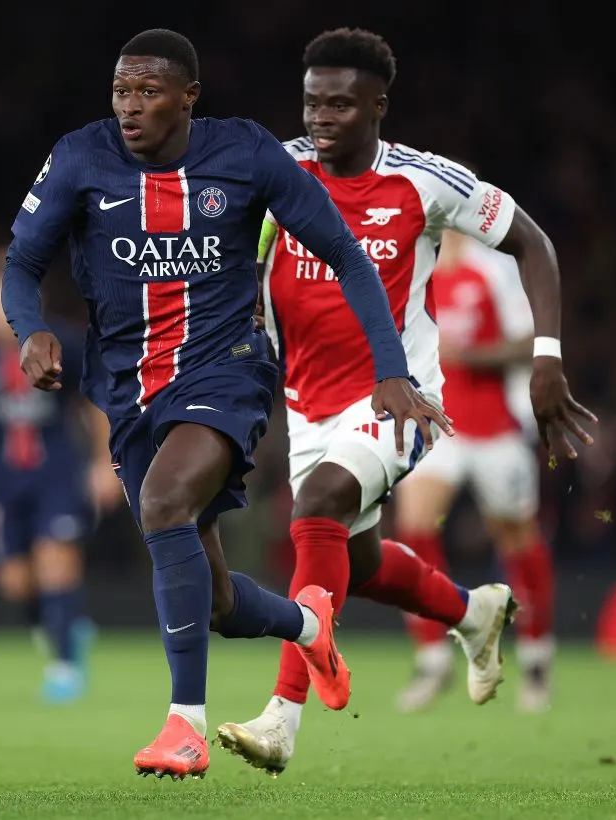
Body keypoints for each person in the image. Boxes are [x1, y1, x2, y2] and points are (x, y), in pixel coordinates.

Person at [0, 29, 445, 780]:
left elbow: (343, 251)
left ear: (188, 96)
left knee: (165, 501)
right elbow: (21, 262)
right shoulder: (81, 156)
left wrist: (392, 369)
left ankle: (184, 727)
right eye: (120, 92)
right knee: (217, 604)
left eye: (147, 92)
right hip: (129, 390)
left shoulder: (243, 155)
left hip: (226, 371)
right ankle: (309, 625)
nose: (130, 108)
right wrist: (32, 330)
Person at [216, 28, 595, 775]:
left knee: (315, 510)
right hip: (309, 404)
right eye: (312, 102)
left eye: (341, 105)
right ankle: (472, 611)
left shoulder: (427, 183)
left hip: (403, 399)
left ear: (378, 107)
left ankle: (281, 718)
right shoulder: (278, 170)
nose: (322, 118)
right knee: (352, 563)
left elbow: (534, 245)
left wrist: (546, 358)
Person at [0, 247, 121, 703]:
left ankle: (65, 666)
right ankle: (60, 626)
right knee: (15, 580)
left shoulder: (63, 340)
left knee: (56, 556)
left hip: (57, 470)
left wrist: (103, 463)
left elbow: (96, 400)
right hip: (1, 476)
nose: (1, 307)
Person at [394, 229, 556, 714]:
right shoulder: (415, 268)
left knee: (516, 539)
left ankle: (535, 658)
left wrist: (469, 354)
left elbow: (530, 339)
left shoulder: (495, 269)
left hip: (494, 426)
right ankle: (432, 656)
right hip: (437, 424)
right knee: (413, 528)